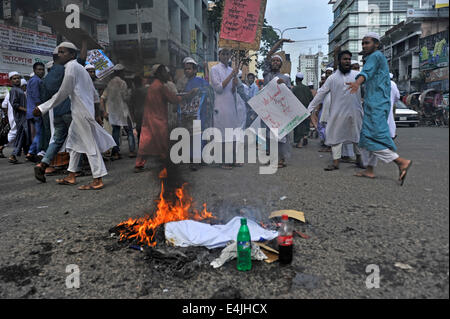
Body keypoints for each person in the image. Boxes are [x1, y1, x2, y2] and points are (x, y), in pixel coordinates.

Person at [33, 42, 116, 190]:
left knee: (90, 146)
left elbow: (64, 91)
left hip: (80, 112)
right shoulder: (81, 70)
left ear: (72, 55)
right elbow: (95, 96)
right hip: (82, 112)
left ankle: (98, 179)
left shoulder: (71, 67)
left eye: (63, 52)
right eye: (59, 52)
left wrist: (42, 107)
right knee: (73, 143)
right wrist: (95, 114)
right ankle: (71, 175)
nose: (59, 54)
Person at [347, 33, 412, 185]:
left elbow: (366, 72)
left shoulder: (375, 56)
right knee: (371, 137)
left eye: (367, 43)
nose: (364, 46)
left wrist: (357, 83)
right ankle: (370, 169)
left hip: (376, 104)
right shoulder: (376, 57)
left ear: (376, 44)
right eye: (362, 43)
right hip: (375, 103)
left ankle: (400, 161)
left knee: (369, 139)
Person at [308, 50, 363, 171]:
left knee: (357, 136)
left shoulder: (357, 75)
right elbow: (321, 93)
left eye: (349, 59)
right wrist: (310, 108)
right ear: (339, 61)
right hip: (338, 113)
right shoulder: (332, 78)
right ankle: (336, 162)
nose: (347, 61)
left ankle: (360, 160)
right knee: (335, 136)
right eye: (345, 59)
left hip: (355, 111)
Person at [262, 39, 294, 168]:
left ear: (281, 64)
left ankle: (281, 159)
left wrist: (284, 86)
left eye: (277, 61)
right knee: (270, 135)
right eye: (273, 61)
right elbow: (269, 54)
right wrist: (280, 41)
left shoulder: (285, 78)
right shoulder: (267, 74)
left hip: (280, 110)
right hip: (268, 110)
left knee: (281, 135)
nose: (275, 62)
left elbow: (290, 96)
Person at [210, 48, 242, 169]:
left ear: (229, 56)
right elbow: (218, 88)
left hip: (230, 105)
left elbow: (234, 89)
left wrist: (234, 83)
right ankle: (223, 161)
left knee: (232, 132)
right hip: (220, 105)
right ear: (219, 55)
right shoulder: (214, 69)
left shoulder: (230, 70)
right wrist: (231, 75)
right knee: (222, 133)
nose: (225, 56)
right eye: (223, 53)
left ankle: (232, 159)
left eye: (227, 54)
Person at [101, 64, 135, 159]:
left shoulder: (110, 83)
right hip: (123, 111)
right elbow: (125, 97)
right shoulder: (123, 83)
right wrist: (130, 95)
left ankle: (116, 153)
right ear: (121, 72)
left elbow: (102, 98)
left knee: (115, 131)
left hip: (113, 112)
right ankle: (132, 151)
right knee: (129, 131)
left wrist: (104, 111)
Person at [8, 72, 30, 164]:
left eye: (18, 78)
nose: (17, 80)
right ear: (11, 80)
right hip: (20, 117)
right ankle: (13, 155)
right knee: (21, 136)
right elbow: (15, 105)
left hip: (23, 116)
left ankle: (28, 154)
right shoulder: (14, 90)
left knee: (24, 135)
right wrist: (26, 110)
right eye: (14, 78)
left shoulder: (19, 89)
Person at [26, 62, 45, 162]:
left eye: (42, 69)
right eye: (39, 69)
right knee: (39, 133)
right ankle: (37, 154)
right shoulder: (35, 81)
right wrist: (39, 109)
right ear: (34, 70)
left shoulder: (33, 80)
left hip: (32, 111)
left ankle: (31, 152)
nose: (41, 71)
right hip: (36, 111)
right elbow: (37, 97)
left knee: (38, 133)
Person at [292, 73, 313, 148]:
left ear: (296, 79)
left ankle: (299, 143)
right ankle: (305, 137)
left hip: (297, 110)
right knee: (305, 125)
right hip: (306, 110)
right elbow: (311, 99)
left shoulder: (294, 88)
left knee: (298, 127)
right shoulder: (307, 88)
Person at [389, 73, 400, 139]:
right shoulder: (393, 84)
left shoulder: (379, 82)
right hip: (390, 105)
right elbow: (397, 96)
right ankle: (392, 134)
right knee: (391, 119)